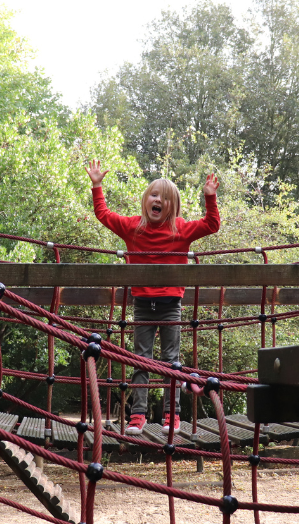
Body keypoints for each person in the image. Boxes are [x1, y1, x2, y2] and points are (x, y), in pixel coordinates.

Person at [86, 160, 220, 434]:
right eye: (154, 195)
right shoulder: (133, 227)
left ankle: (172, 416)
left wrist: (210, 196)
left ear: (173, 207)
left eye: (165, 198)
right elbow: (104, 215)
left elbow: (212, 224)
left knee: (171, 361)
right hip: (143, 305)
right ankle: (138, 416)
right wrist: (97, 185)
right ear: (146, 200)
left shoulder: (180, 229)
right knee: (141, 359)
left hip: (171, 305)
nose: (158, 200)